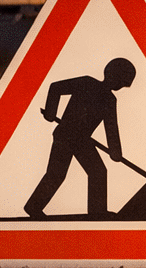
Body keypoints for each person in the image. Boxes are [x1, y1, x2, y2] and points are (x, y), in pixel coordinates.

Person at [24, 58, 136, 219]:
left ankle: (97, 211)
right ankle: (33, 207)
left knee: (98, 172)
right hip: (65, 135)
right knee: (56, 174)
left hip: (82, 140)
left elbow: (111, 128)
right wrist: (50, 112)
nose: (120, 86)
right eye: (121, 81)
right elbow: (56, 88)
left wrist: (115, 152)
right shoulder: (86, 83)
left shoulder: (110, 100)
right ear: (113, 75)